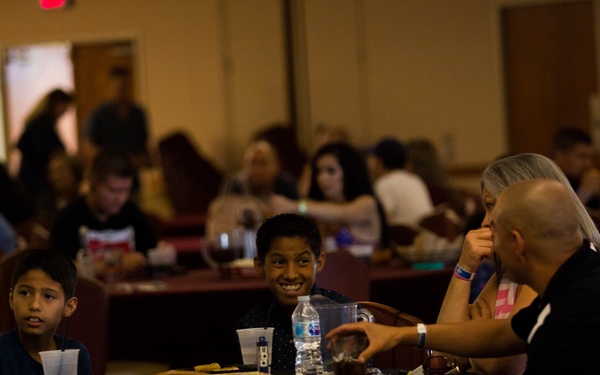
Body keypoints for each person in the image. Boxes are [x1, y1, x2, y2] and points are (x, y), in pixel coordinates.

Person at [327, 179, 600, 375]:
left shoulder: (572, 317)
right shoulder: (576, 275)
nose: (486, 233)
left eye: (494, 230)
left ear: (517, 243)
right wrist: (397, 336)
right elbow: (503, 335)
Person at [435, 153, 600, 374]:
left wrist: (472, 351)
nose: (485, 221)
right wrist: (464, 267)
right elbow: (447, 352)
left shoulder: (552, 268)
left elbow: (505, 365)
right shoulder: (511, 268)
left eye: (491, 207)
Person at [236, 213, 353, 370]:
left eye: (303, 261)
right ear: (260, 265)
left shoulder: (344, 313)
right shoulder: (251, 325)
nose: (291, 274)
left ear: (319, 263)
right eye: (279, 262)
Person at [49, 147, 155, 273]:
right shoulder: (68, 219)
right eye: (113, 190)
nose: (120, 199)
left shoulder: (132, 212)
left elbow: (150, 253)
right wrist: (114, 264)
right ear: (92, 183)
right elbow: (59, 269)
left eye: (126, 190)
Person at [268, 142, 387, 250]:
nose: (322, 178)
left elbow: (342, 214)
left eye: (331, 171)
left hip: (366, 273)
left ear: (349, 172)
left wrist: (297, 206)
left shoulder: (367, 203)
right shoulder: (319, 209)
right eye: (319, 171)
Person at [0, 249, 92, 374]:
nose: (35, 305)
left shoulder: (76, 356)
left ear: (69, 306)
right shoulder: (3, 353)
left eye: (48, 296)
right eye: (25, 293)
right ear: (11, 298)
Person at [84, 66, 150, 171]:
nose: (121, 91)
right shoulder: (98, 114)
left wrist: (141, 161)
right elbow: (89, 148)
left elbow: (143, 146)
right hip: (107, 171)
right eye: (117, 86)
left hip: (132, 171)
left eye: (124, 86)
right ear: (110, 86)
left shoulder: (138, 114)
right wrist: (112, 161)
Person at [16, 88, 74, 206]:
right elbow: (39, 151)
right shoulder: (41, 124)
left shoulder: (43, 123)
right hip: (37, 183)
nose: (65, 111)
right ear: (57, 104)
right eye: (66, 107)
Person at [368, 137, 433, 227]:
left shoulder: (384, 184)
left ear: (380, 162)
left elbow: (384, 221)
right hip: (425, 237)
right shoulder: (415, 179)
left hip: (405, 238)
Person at [221, 139, 299, 201]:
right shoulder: (236, 184)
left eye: (263, 163)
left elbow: (300, 212)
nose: (257, 169)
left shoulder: (287, 184)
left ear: (276, 166)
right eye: (252, 163)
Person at [550, 126, 600, 210]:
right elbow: (559, 218)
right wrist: (585, 193)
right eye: (582, 156)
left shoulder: (580, 180)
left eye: (590, 157)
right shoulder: (544, 180)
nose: (588, 163)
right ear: (560, 156)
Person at [37, 152, 84, 229]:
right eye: (53, 172)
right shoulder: (45, 201)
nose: (56, 177)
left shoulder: (83, 199)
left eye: (61, 171)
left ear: (74, 173)